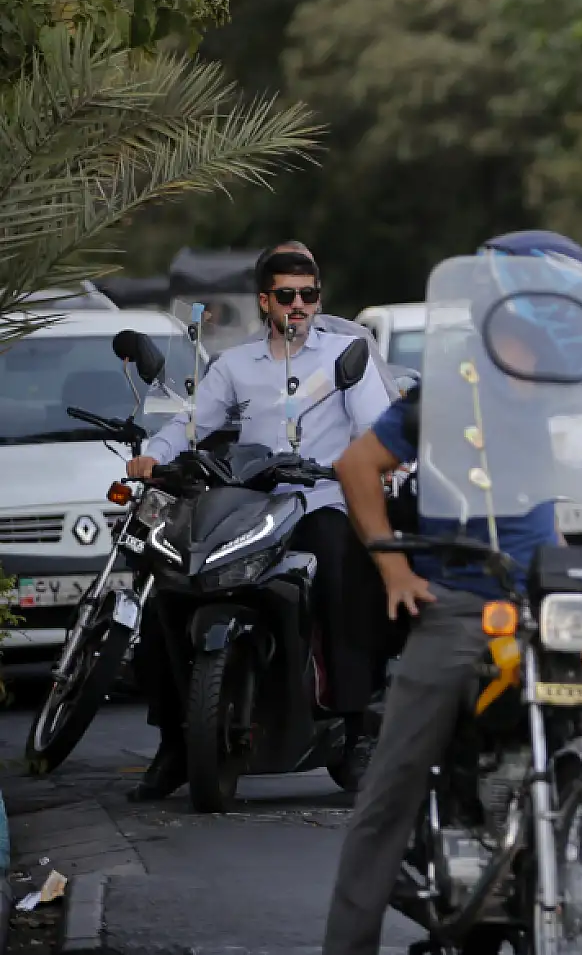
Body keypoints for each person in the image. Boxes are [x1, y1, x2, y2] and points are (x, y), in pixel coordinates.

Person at [321, 249, 582, 955]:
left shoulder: (561, 393)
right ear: (503, 320)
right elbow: (356, 465)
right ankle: (348, 943)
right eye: (538, 323)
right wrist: (394, 568)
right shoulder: (446, 395)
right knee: (394, 778)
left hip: (547, 601)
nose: (547, 342)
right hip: (462, 598)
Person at [123, 248, 395, 800]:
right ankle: (174, 741)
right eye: (287, 296)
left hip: (321, 501)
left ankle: (357, 730)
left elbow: (376, 428)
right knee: (170, 584)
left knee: (341, 570)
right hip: (250, 507)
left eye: (308, 295)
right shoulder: (234, 366)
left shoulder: (346, 356)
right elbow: (191, 425)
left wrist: (384, 461)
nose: (299, 306)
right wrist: (153, 455)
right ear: (265, 301)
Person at [253, 242, 401, 400]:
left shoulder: (355, 339)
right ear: (265, 299)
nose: (298, 302)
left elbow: (389, 407)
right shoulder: (243, 358)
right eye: (286, 292)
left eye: (308, 289)